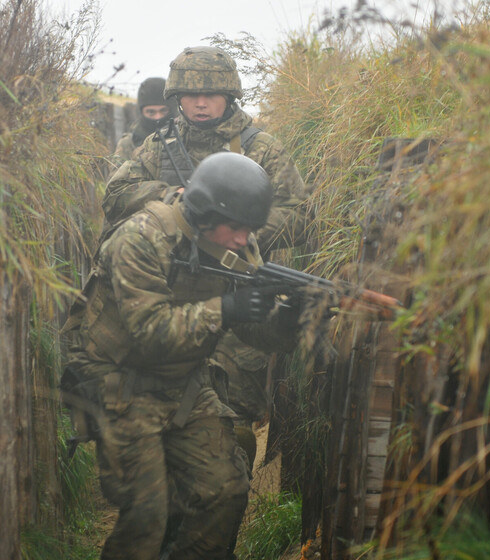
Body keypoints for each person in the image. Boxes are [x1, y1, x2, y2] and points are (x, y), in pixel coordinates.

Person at [61, 152, 300, 560]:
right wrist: (226, 309)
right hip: (120, 382)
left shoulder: (234, 243)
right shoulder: (140, 238)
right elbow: (150, 333)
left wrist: (291, 317)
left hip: (185, 384)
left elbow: (255, 332)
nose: (244, 239)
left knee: (225, 489)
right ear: (205, 214)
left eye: (250, 229)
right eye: (237, 228)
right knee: (147, 515)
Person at [103, 45, 314, 470]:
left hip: (240, 308)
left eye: (212, 94)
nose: (201, 103)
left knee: (232, 432)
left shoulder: (261, 148)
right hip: (173, 299)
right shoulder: (160, 146)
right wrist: (168, 198)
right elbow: (115, 195)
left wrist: (237, 234)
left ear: (230, 96)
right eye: (191, 95)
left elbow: (300, 212)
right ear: (176, 97)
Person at [112, 77, 179, 163]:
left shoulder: (184, 138)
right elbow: (116, 174)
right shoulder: (128, 144)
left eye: (163, 111)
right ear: (141, 112)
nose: (157, 117)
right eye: (151, 112)